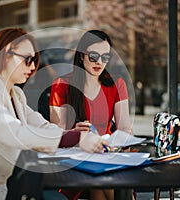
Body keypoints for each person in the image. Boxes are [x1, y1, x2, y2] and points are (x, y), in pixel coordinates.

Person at [0, 28, 108, 200]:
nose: (33, 66)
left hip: (3, 191)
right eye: (28, 59)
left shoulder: (16, 95)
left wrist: (75, 135)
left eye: (35, 60)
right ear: (4, 54)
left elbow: (42, 126)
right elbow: (14, 133)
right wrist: (76, 139)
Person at [49, 30, 133, 200]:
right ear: (81, 56)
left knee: (101, 183)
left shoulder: (117, 83)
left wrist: (117, 144)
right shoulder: (62, 84)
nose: (99, 62)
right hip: (76, 157)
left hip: (108, 153)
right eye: (93, 56)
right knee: (102, 183)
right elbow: (56, 132)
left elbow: (125, 127)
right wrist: (73, 133)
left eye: (105, 57)